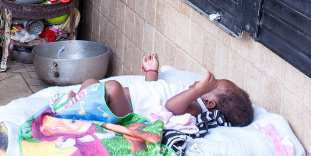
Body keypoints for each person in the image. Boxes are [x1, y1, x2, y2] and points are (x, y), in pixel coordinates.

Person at [65, 53, 254, 127]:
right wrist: (152, 72)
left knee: (112, 88)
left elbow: (170, 106)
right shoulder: (186, 93)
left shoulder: (194, 107)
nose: (201, 81)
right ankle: (78, 108)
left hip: (128, 113)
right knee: (91, 83)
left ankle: (78, 111)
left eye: (212, 85)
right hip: (118, 101)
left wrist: (197, 90)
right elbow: (153, 90)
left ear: (209, 103)